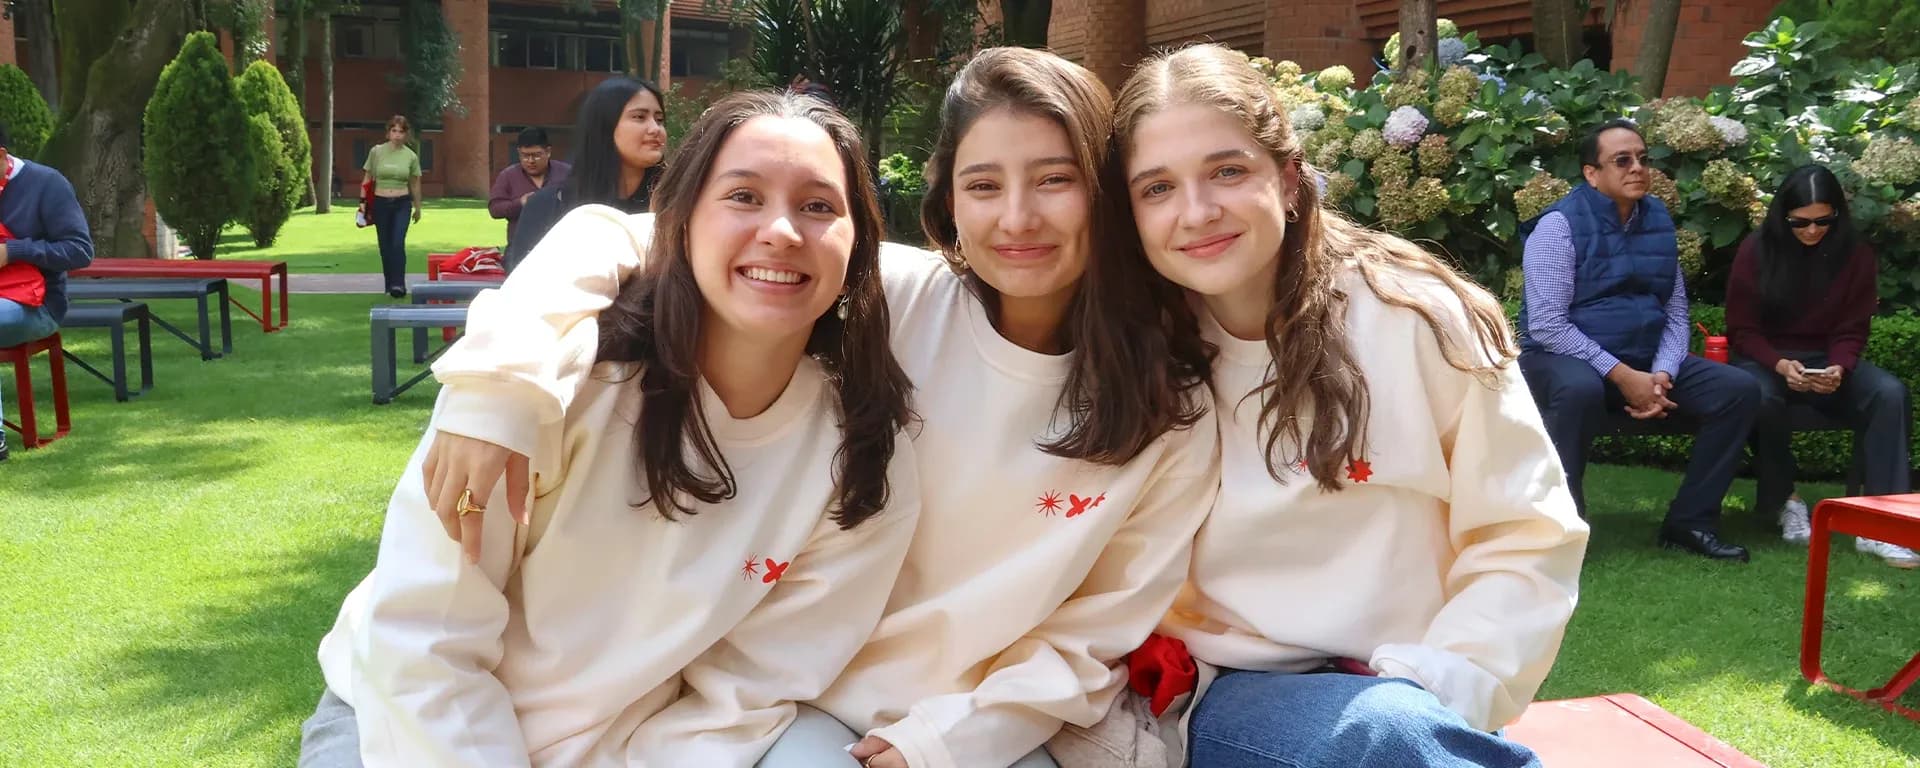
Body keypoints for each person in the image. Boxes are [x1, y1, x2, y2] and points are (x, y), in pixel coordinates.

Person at [419, 48, 1221, 768]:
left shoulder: (1169, 409)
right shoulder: (891, 298)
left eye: (1055, 180)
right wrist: (499, 386)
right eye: (983, 185)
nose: (1017, 218)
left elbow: (1099, 625)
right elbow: (631, 239)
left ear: (1105, 193)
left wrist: (954, 737)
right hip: (800, 701)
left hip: (963, 724)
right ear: (947, 200)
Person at [296, 91, 922, 766]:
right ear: (679, 224)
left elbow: (745, 694)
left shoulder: (860, 460)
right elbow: (425, 637)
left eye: (819, 206)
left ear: (860, 245)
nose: (782, 231)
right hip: (400, 722)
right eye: (743, 196)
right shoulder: (536, 382)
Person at [1097, 43, 1586, 767]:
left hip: (1413, 691)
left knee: (1389, 732)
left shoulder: (1419, 318)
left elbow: (1525, 532)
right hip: (1229, 688)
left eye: (1227, 171)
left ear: (1289, 179)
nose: (1196, 212)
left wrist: (1439, 684)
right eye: (1158, 188)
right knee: (1380, 737)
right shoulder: (1133, 351)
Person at [1516, 118, 1759, 562]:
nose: (1638, 169)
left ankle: (1690, 522)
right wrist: (1623, 375)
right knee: (1579, 389)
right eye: (1622, 160)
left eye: (1643, 159)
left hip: (1643, 360)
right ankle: (1563, 529)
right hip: (1560, 358)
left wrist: (1661, 374)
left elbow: (1675, 310)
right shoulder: (1557, 226)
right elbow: (1547, 325)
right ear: (1592, 173)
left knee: (1737, 390)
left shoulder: (1658, 220)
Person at [1725, 164, 1918, 568]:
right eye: (1800, 222)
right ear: (1783, 215)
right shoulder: (1756, 250)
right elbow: (1742, 331)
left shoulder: (1855, 254)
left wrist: (1839, 368)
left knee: (1889, 394)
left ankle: (1881, 522)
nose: (1812, 230)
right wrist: (1780, 364)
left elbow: (1853, 327)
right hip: (1766, 360)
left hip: (1826, 360)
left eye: (1823, 221)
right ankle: (1786, 500)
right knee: (1756, 394)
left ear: (1837, 215)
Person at [0, 122, 94, 463]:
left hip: (39, 303)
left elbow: (80, 251)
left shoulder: (46, 183)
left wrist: (14, 251)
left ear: (1, 156)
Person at [506, 77, 667, 271]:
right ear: (604, 126)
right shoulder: (548, 206)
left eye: (659, 120)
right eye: (640, 117)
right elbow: (524, 281)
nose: (656, 129)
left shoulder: (675, 206)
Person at [362, 115, 423, 297]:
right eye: (394, 130)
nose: (397, 134)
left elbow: (415, 183)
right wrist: (362, 203)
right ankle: (389, 284)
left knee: (397, 243)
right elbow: (367, 178)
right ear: (388, 132)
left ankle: (398, 285)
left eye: (401, 131)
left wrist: (418, 207)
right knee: (385, 246)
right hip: (380, 202)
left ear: (406, 134)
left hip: (402, 203)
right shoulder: (376, 152)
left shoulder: (410, 156)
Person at [487, 127, 572, 244]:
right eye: (525, 156)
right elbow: (495, 209)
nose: (530, 161)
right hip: (521, 245)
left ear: (548, 152)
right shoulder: (508, 176)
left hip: (560, 243)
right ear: (519, 152)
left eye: (536, 155)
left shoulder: (566, 173)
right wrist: (520, 203)